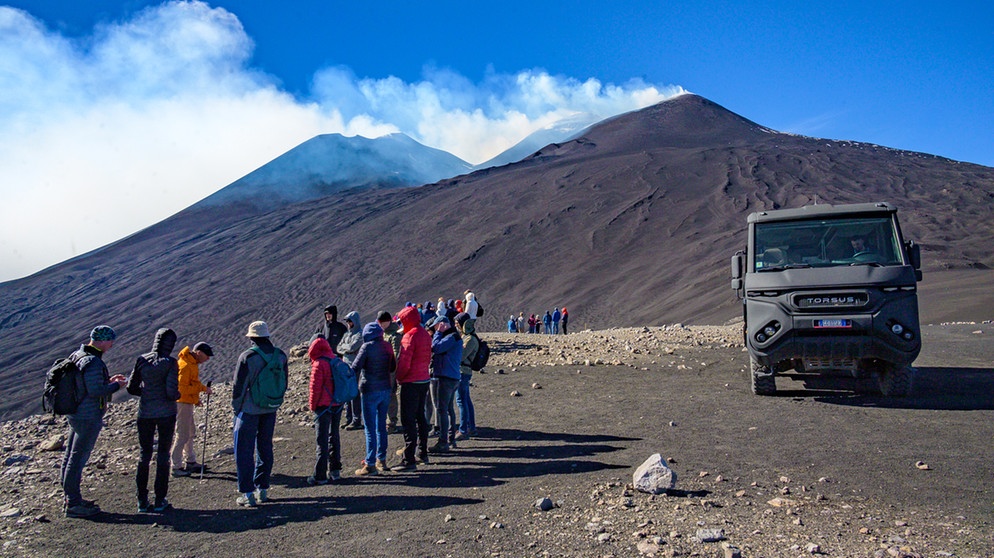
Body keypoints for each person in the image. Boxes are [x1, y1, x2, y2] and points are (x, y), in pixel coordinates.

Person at [61, 325, 127, 518]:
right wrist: (117, 385)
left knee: (70, 455)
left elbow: (89, 385)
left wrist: (109, 381)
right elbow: (95, 391)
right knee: (77, 458)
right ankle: (73, 503)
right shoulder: (93, 362)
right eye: (111, 341)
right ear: (103, 340)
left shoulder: (78, 355)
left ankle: (70, 497)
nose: (112, 344)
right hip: (87, 415)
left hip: (76, 413)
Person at [231, 320, 288, 507]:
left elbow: (238, 387)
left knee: (244, 450)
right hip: (270, 407)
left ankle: (247, 494)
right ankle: (262, 489)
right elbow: (284, 382)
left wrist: (236, 408)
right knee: (265, 447)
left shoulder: (248, 357)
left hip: (249, 409)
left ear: (252, 338)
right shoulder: (280, 355)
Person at [126, 328, 181, 513]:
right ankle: (160, 499)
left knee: (144, 455)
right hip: (166, 413)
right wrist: (177, 394)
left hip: (145, 412)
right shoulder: (170, 363)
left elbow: (132, 387)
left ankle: (142, 500)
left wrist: (147, 394)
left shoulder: (142, 360)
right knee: (163, 455)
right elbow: (171, 393)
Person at [352, 322, 396, 476]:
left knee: (370, 428)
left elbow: (356, 367)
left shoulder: (367, 347)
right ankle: (381, 459)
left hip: (370, 390)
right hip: (385, 389)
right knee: (381, 426)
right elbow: (392, 367)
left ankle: (370, 464)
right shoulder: (387, 346)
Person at [392, 306, 432, 471]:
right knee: (420, 417)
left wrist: (399, 378)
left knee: (408, 420)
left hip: (411, 382)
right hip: (423, 379)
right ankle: (422, 451)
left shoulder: (409, 336)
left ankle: (409, 459)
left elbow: (404, 363)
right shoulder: (424, 334)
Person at [171, 342, 213, 477]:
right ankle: (176, 465)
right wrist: (202, 389)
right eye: (207, 355)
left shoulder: (191, 364)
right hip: (182, 403)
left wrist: (195, 399)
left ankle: (190, 460)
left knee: (190, 432)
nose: (208, 359)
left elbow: (191, 384)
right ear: (199, 353)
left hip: (186, 402)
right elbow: (181, 389)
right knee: (182, 434)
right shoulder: (185, 365)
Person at [306, 335, 344, 485]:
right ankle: (335, 470)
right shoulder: (336, 360)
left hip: (323, 406)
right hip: (337, 404)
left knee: (321, 440)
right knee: (334, 436)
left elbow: (315, 389)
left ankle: (320, 475)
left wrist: (312, 406)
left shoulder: (319, 364)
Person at [428, 315, 461, 453]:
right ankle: (450, 438)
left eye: (436, 327)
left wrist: (438, 333)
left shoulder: (451, 337)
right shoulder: (454, 336)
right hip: (451, 376)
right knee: (448, 409)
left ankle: (443, 442)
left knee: (442, 409)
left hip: (446, 377)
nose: (435, 330)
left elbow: (435, 348)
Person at [337, 311, 363, 429]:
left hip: (355, 366)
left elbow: (353, 347)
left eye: (350, 321)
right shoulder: (347, 334)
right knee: (347, 392)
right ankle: (348, 418)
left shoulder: (359, 334)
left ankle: (356, 419)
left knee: (354, 392)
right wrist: (347, 349)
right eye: (347, 321)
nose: (348, 323)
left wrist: (346, 349)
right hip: (345, 366)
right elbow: (339, 347)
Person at [377, 311, 402, 432]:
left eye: (382, 322)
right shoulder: (384, 334)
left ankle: (392, 421)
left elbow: (397, 355)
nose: (380, 324)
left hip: (390, 370)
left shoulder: (395, 335)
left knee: (390, 395)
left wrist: (390, 367)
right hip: (383, 369)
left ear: (388, 321)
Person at [454, 313, 477, 440]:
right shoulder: (467, 338)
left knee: (461, 401)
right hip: (463, 371)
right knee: (466, 400)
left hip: (463, 372)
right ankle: (471, 427)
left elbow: (461, 356)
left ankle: (463, 430)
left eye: (457, 323)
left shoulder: (470, 339)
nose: (456, 326)